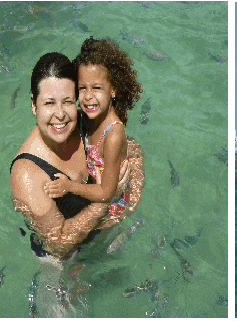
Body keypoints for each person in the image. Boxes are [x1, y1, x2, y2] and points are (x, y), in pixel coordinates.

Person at [10, 52, 142, 259]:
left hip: (106, 235)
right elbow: (57, 245)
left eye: (68, 101)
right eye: (49, 103)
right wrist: (107, 199)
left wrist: (129, 202)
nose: (60, 114)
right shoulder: (27, 173)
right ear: (33, 104)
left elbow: (131, 149)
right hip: (62, 263)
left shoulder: (83, 123)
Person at [43, 38, 143, 222]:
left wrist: (69, 186)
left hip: (110, 206)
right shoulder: (88, 119)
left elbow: (106, 192)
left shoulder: (113, 135)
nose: (88, 97)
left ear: (114, 89)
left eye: (97, 88)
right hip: (92, 187)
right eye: (82, 88)